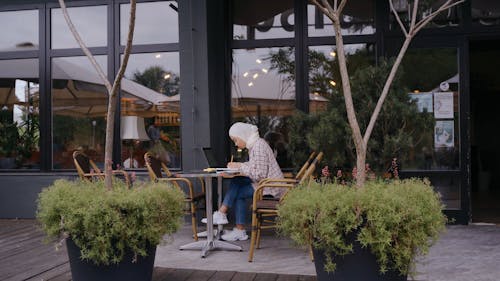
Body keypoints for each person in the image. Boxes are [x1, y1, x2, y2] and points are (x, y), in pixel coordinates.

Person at [203, 122, 284, 241]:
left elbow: (259, 173)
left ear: (242, 135)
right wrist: (239, 166)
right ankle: (226, 218)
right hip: (264, 183)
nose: (236, 144)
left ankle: (227, 218)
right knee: (238, 180)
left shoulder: (259, 146)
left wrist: (239, 166)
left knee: (239, 191)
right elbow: (254, 166)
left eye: (236, 140)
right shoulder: (255, 145)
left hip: (271, 187)